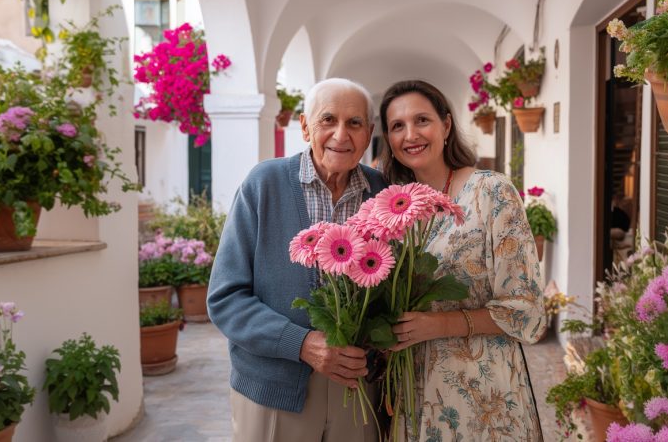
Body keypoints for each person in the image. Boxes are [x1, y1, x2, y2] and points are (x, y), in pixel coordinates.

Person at [208, 78, 387, 442]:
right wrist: (301, 344)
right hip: (275, 391)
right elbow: (225, 298)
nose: (341, 134)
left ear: (369, 133)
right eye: (328, 120)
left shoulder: (381, 192)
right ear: (305, 126)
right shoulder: (264, 184)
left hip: (356, 390)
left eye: (354, 123)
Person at [379, 80, 546, 441]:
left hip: (483, 395)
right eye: (397, 126)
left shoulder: (491, 192)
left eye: (422, 120)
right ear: (389, 140)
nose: (410, 135)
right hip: (415, 393)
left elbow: (527, 310)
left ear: (446, 125)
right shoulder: (392, 210)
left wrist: (437, 325)